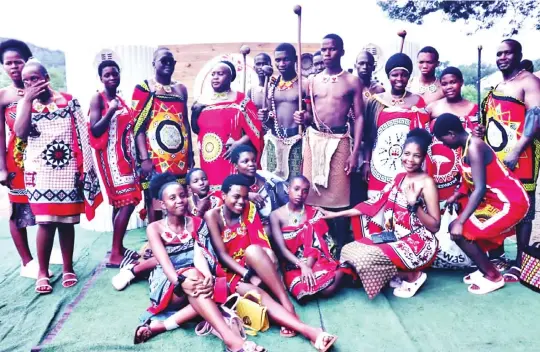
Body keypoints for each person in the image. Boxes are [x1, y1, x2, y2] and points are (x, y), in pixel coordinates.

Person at [131, 174, 265, 352]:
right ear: (163, 205)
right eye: (172, 198)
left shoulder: (197, 223)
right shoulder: (154, 228)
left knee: (206, 288)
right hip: (168, 281)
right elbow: (165, 264)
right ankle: (231, 340)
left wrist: (208, 275)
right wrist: (180, 281)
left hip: (197, 279)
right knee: (197, 281)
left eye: (182, 195)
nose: (179, 200)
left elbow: (200, 254)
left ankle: (162, 326)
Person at [205, 174, 338, 349]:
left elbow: (258, 241)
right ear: (223, 195)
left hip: (253, 261)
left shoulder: (249, 208)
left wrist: (259, 266)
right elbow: (222, 255)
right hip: (232, 272)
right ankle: (311, 331)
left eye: (245, 197)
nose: (241, 202)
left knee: (254, 250)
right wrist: (247, 275)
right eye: (236, 197)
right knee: (260, 296)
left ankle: (285, 301)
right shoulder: (212, 215)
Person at [14, 60, 102, 294]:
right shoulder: (25, 104)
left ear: (46, 78)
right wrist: (26, 99)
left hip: (68, 169)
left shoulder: (69, 100)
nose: (31, 84)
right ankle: (42, 272)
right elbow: (20, 133)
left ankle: (68, 267)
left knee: (66, 222)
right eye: (26, 81)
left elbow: (83, 134)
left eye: (35, 78)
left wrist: (86, 170)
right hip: (39, 172)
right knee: (45, 222)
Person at [323, 129, 440, 299]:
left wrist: (415, 205)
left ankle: (412, 276)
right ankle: (397, 273)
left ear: (423, 158)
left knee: (365, 259)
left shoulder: (427, 183)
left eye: (416, 156)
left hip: (418, 243)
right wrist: (334, 214)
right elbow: (372, 205)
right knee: (349, 250)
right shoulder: (399, 177)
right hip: (394, 236)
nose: (410, 160)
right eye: (407, 153)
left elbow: (435, 226)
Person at [433, 113, 529, 294]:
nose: (444, 144)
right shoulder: (464, 145)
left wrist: (461, 221)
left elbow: (479, 189)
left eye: (443, 140)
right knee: (462, 222)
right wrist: (457, 194)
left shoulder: (474, 147)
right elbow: (469, 179)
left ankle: (493, 276)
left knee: (460, 230)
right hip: (495, 201)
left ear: (452, 133)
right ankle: (484, 268)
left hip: (510, 201)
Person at [297, 34, 365, 256]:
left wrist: (355, 153)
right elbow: (309, 114)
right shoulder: (312, 81)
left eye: (332, 49)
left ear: (342, 52)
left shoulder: (352, 81)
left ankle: (341, 249)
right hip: (314, 140)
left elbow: (360, 117)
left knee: (340, 198)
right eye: (324, 49)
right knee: (310, 196)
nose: (327, 53)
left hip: (340, 142)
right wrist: (302, 117)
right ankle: (315, 246)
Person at [481, 39, 540, 280]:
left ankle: (521, 261)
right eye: (499, 54)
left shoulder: (529, 81)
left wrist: (516, 151)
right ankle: (498, 254)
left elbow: (536, 117)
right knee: (498, 201)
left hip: (523, 154)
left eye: (507, 53)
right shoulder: (500, 85)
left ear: (518, 55)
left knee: (524, 207)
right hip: (497, 156)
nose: (502, 58)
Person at [89, 60, 142, 267]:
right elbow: (94, 130)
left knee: (120, 203)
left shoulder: (120, 99)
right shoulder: (98, 99)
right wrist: (110, 111)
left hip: (125, 157)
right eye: (107, 75)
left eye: (114, 74)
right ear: (101, 78)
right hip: (110, 159)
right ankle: (115, 255)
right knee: (127, 201)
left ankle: (117, 248)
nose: (111, 78)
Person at [132, 47, 192, 224]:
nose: (167, 64)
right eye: (163, 61)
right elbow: (138, 127)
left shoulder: (180, 89)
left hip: (179, 157)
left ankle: (180, 239)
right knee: (156, 202)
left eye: (171, 61)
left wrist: (190, 154)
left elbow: (185, 123)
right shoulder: (144, 88)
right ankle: (155, 239)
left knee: (179, 199)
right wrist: (144, 158)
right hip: (155, 157)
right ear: (153, 64)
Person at [270, 176, 354, 301]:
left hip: (315, 258)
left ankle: (343, 270)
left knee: (327, 290)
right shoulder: (275, 215)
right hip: (292, 262)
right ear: (288, 189)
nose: (300, 194)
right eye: (296, 189)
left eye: (305, 191)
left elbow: (318, 245)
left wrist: (308, 266)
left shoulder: (314, 213)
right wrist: (302, 266)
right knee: (303, 292)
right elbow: (282, 249)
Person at [363, 53, 430, 199]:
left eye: (403, 75)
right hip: (380, 164)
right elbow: (368, 136)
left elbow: (423, 136)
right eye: (395, 75)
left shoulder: (417, 101)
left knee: (403, 207)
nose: (399, 79)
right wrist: (366, 163)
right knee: (377, 208)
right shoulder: (376, 101)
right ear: (388, 76)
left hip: (409, 164)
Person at [0, 39, 41, 278]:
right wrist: (2, 168)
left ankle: (44, 253)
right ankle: (27, 261)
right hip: (17, 160)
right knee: (18, 209)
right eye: (8, 63)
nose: (14, 67)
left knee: (45, 208)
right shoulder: (3, 96)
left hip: (45, 158)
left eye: (19, 62)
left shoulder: (41, 89)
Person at [191, 61, 263, 191]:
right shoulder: (202, 100)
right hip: (208, 159)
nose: (215, 77)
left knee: (232, 191)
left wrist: (238, 143)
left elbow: (256, 129)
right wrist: (195, 113)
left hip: (230, 158)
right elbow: (197, 130)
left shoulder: (241, 100)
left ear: (230, 77)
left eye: (220, 74)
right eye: (213, 74)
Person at [426, 66, 479, 207]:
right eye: (444, 84)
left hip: (464, 166)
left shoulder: (473, 109)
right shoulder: (432, 108)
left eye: (453, 82)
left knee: (461, 205)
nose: (449, 87)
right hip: (438, 169)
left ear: (461, 82)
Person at [260, 43, 305, 181]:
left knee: (295, 183)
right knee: (273, 182)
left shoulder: (304, 84)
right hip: (275, 139)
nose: (281, 63)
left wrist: (305, 118)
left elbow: (312, 116)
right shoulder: (272, 85)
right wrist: (265, 116)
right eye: (278, 60)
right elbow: (269, 115)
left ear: (295, 59)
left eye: (286, 59)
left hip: (297, 141)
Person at [232, 145, 288, 234]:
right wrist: (246, 195)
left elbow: (286, 188)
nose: (251, 164)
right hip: (247, 231)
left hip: (274, 223)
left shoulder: (265, 176)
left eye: (253, 160)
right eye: (245, 161)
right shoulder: (232, 185)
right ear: (236, 165)